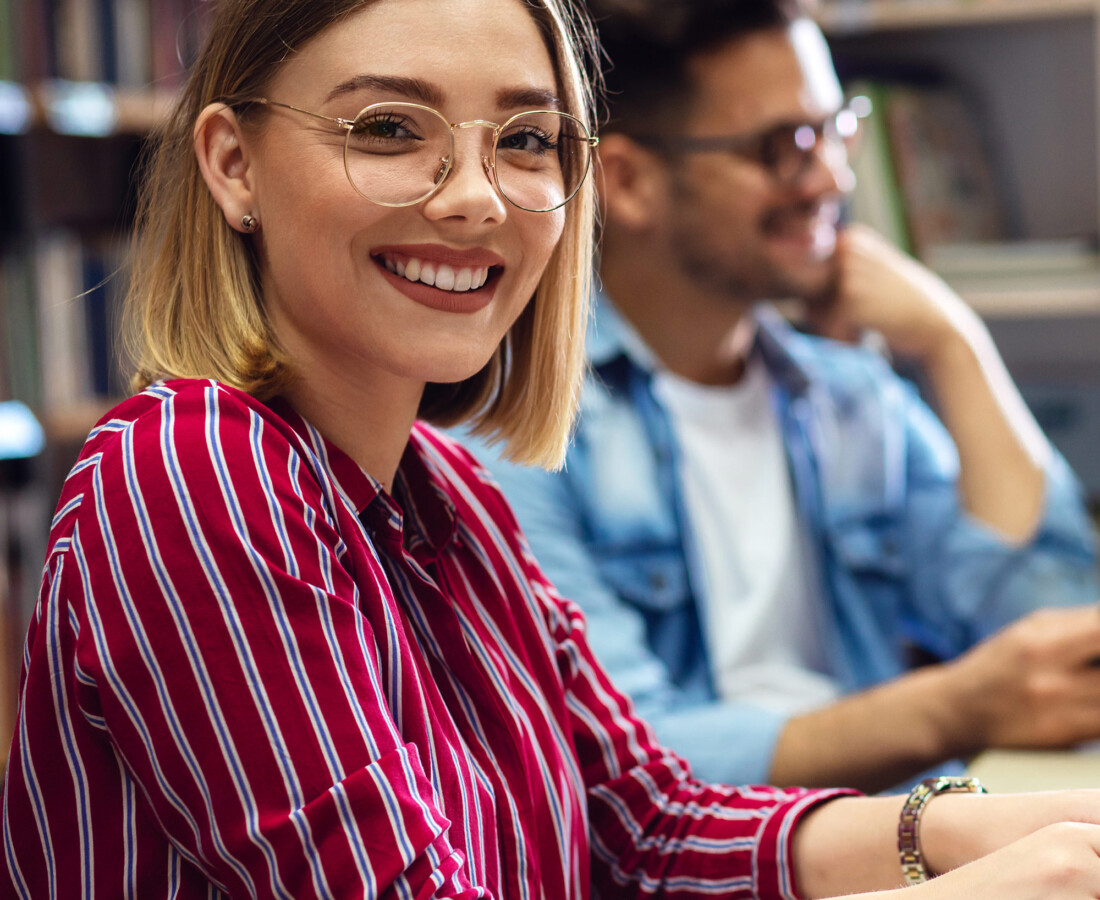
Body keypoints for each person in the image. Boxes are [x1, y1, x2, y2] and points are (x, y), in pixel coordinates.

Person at [6, 0, 1100, 898]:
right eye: (389, 128)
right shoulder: (189, 475)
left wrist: (976, 830)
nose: (478, 198)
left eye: (524, 140)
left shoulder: (446, 492)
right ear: (233, 165)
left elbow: (649, 824)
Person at [459, 0, 1100, 795]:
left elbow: (1053, 636)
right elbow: (620, 768)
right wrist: (953, 709)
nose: (834, 177)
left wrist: (957, 345)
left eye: (837, 129)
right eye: (785, 146)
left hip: (902, 837)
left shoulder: (845, 394)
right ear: (626, 181)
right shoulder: (513, 432)